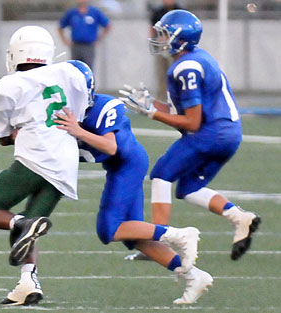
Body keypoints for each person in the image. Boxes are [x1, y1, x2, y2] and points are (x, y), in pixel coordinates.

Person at [119, 9, 261, 262]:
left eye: (164, 34)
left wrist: (153, 114)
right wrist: (152, 105)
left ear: (180, 37)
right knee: (189, 187)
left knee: (162, 174)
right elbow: (183, 114)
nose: (160, 39)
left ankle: (158, 238)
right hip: (228, 133)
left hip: (211, 133)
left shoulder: (184, 68)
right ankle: (239, 217)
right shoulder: (198, 59)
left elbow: (192, 123)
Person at [0, 26, 94, 306]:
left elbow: (4, 138)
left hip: (35, 158)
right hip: (66, 162)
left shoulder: (9, 86)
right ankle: (27, 283)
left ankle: (21, 222)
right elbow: (81, 110)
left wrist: (19, 127)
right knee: (27, 232)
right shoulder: (70, 73)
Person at [55, 93, 213, 304]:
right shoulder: (60, 107)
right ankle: (194, 276)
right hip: (119, 166)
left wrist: (78, 131)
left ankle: (179, 235)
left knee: (109, 229)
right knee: (134, 237)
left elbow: (111, 146)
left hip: (128, 164)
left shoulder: (102, 107)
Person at [58, 0, 111, 70]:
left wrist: (99, 39)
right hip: (76, 45)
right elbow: (61, 26)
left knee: (88, 68)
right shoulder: (72, 13)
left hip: (88, 46)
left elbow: (107, 25)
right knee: (75, 69)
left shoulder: (94, 12)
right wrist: (65, 40)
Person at [149, 0, 182, 99]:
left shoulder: (179, 11)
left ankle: (176, 96)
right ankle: (162, 98)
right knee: (162, 74)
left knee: (176, 71)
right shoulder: (158, 11)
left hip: (176, 47)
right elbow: (152, 29)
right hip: (162, 47)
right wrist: (156, 39)